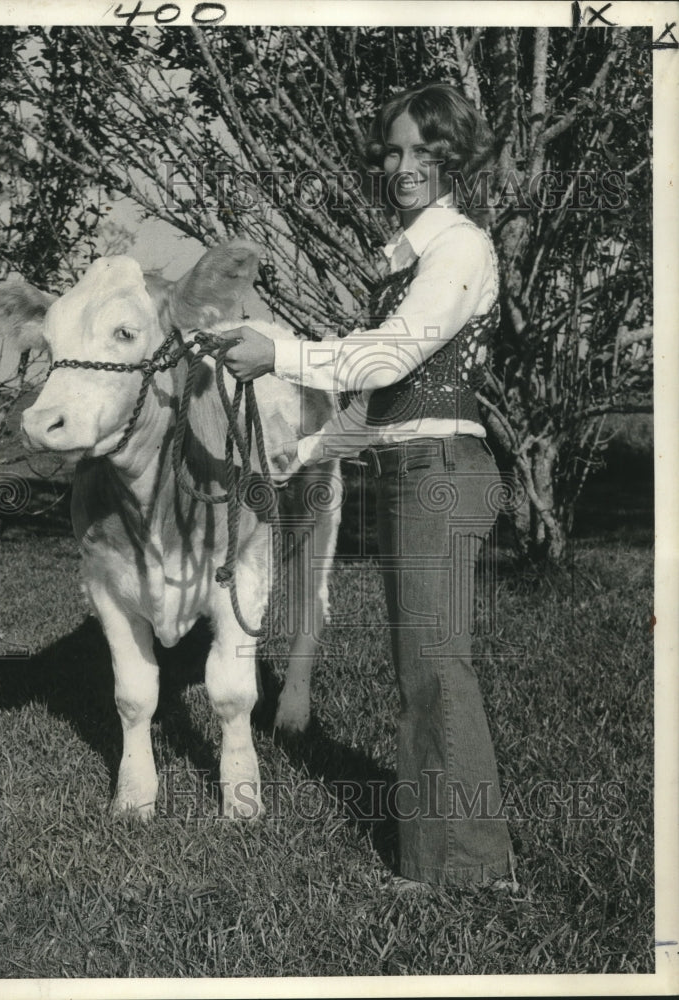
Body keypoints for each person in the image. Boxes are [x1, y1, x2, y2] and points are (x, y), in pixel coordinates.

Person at [220, 82, 517, 892]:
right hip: (407, 466)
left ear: (458, 158)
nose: (406, 165)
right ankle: (443, 858)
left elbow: (386, 360)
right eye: (394, 150)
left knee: (435, 665)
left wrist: (279, 355)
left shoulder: (460, 247)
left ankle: (469, 867)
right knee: (419, 664)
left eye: (426, 150)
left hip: (442, 476)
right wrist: (309, 449)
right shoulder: (406, 258)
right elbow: (390, 404)